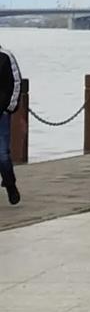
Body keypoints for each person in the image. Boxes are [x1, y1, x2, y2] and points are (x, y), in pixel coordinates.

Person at [0, 41, 21, 206]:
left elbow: (15, 82)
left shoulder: (5, 57)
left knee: (2, 154)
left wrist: (9, 107)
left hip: (1, 113)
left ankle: (10, 184)